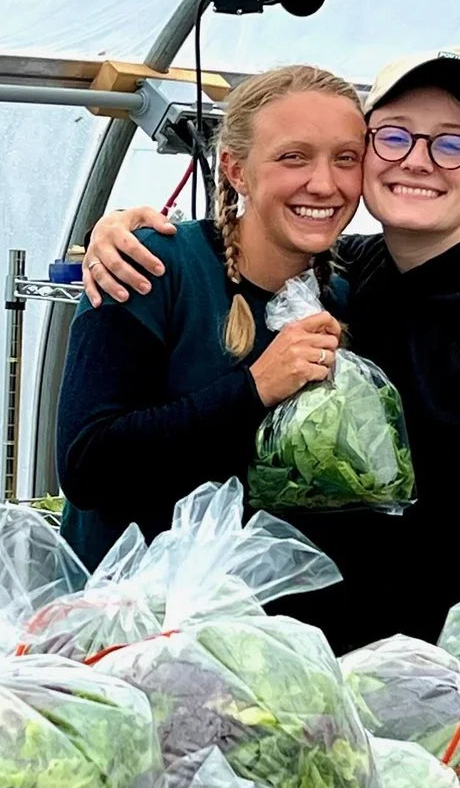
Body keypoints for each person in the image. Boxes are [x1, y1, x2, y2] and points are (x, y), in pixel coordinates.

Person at [81, 50, 460, 649]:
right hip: (270, 646)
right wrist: (116, 229)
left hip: (452, 674)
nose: (419, 162)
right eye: (393, 138)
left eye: (452, 146)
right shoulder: (348, 280)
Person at [54, 64, 366, 569]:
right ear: (235, 169)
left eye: (346, 159)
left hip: (264, 621)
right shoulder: (152, 266)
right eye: (293, 157)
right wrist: (254, 390)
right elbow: (88, 465)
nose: (324, 183)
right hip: (129, 624)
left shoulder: (348, 297)